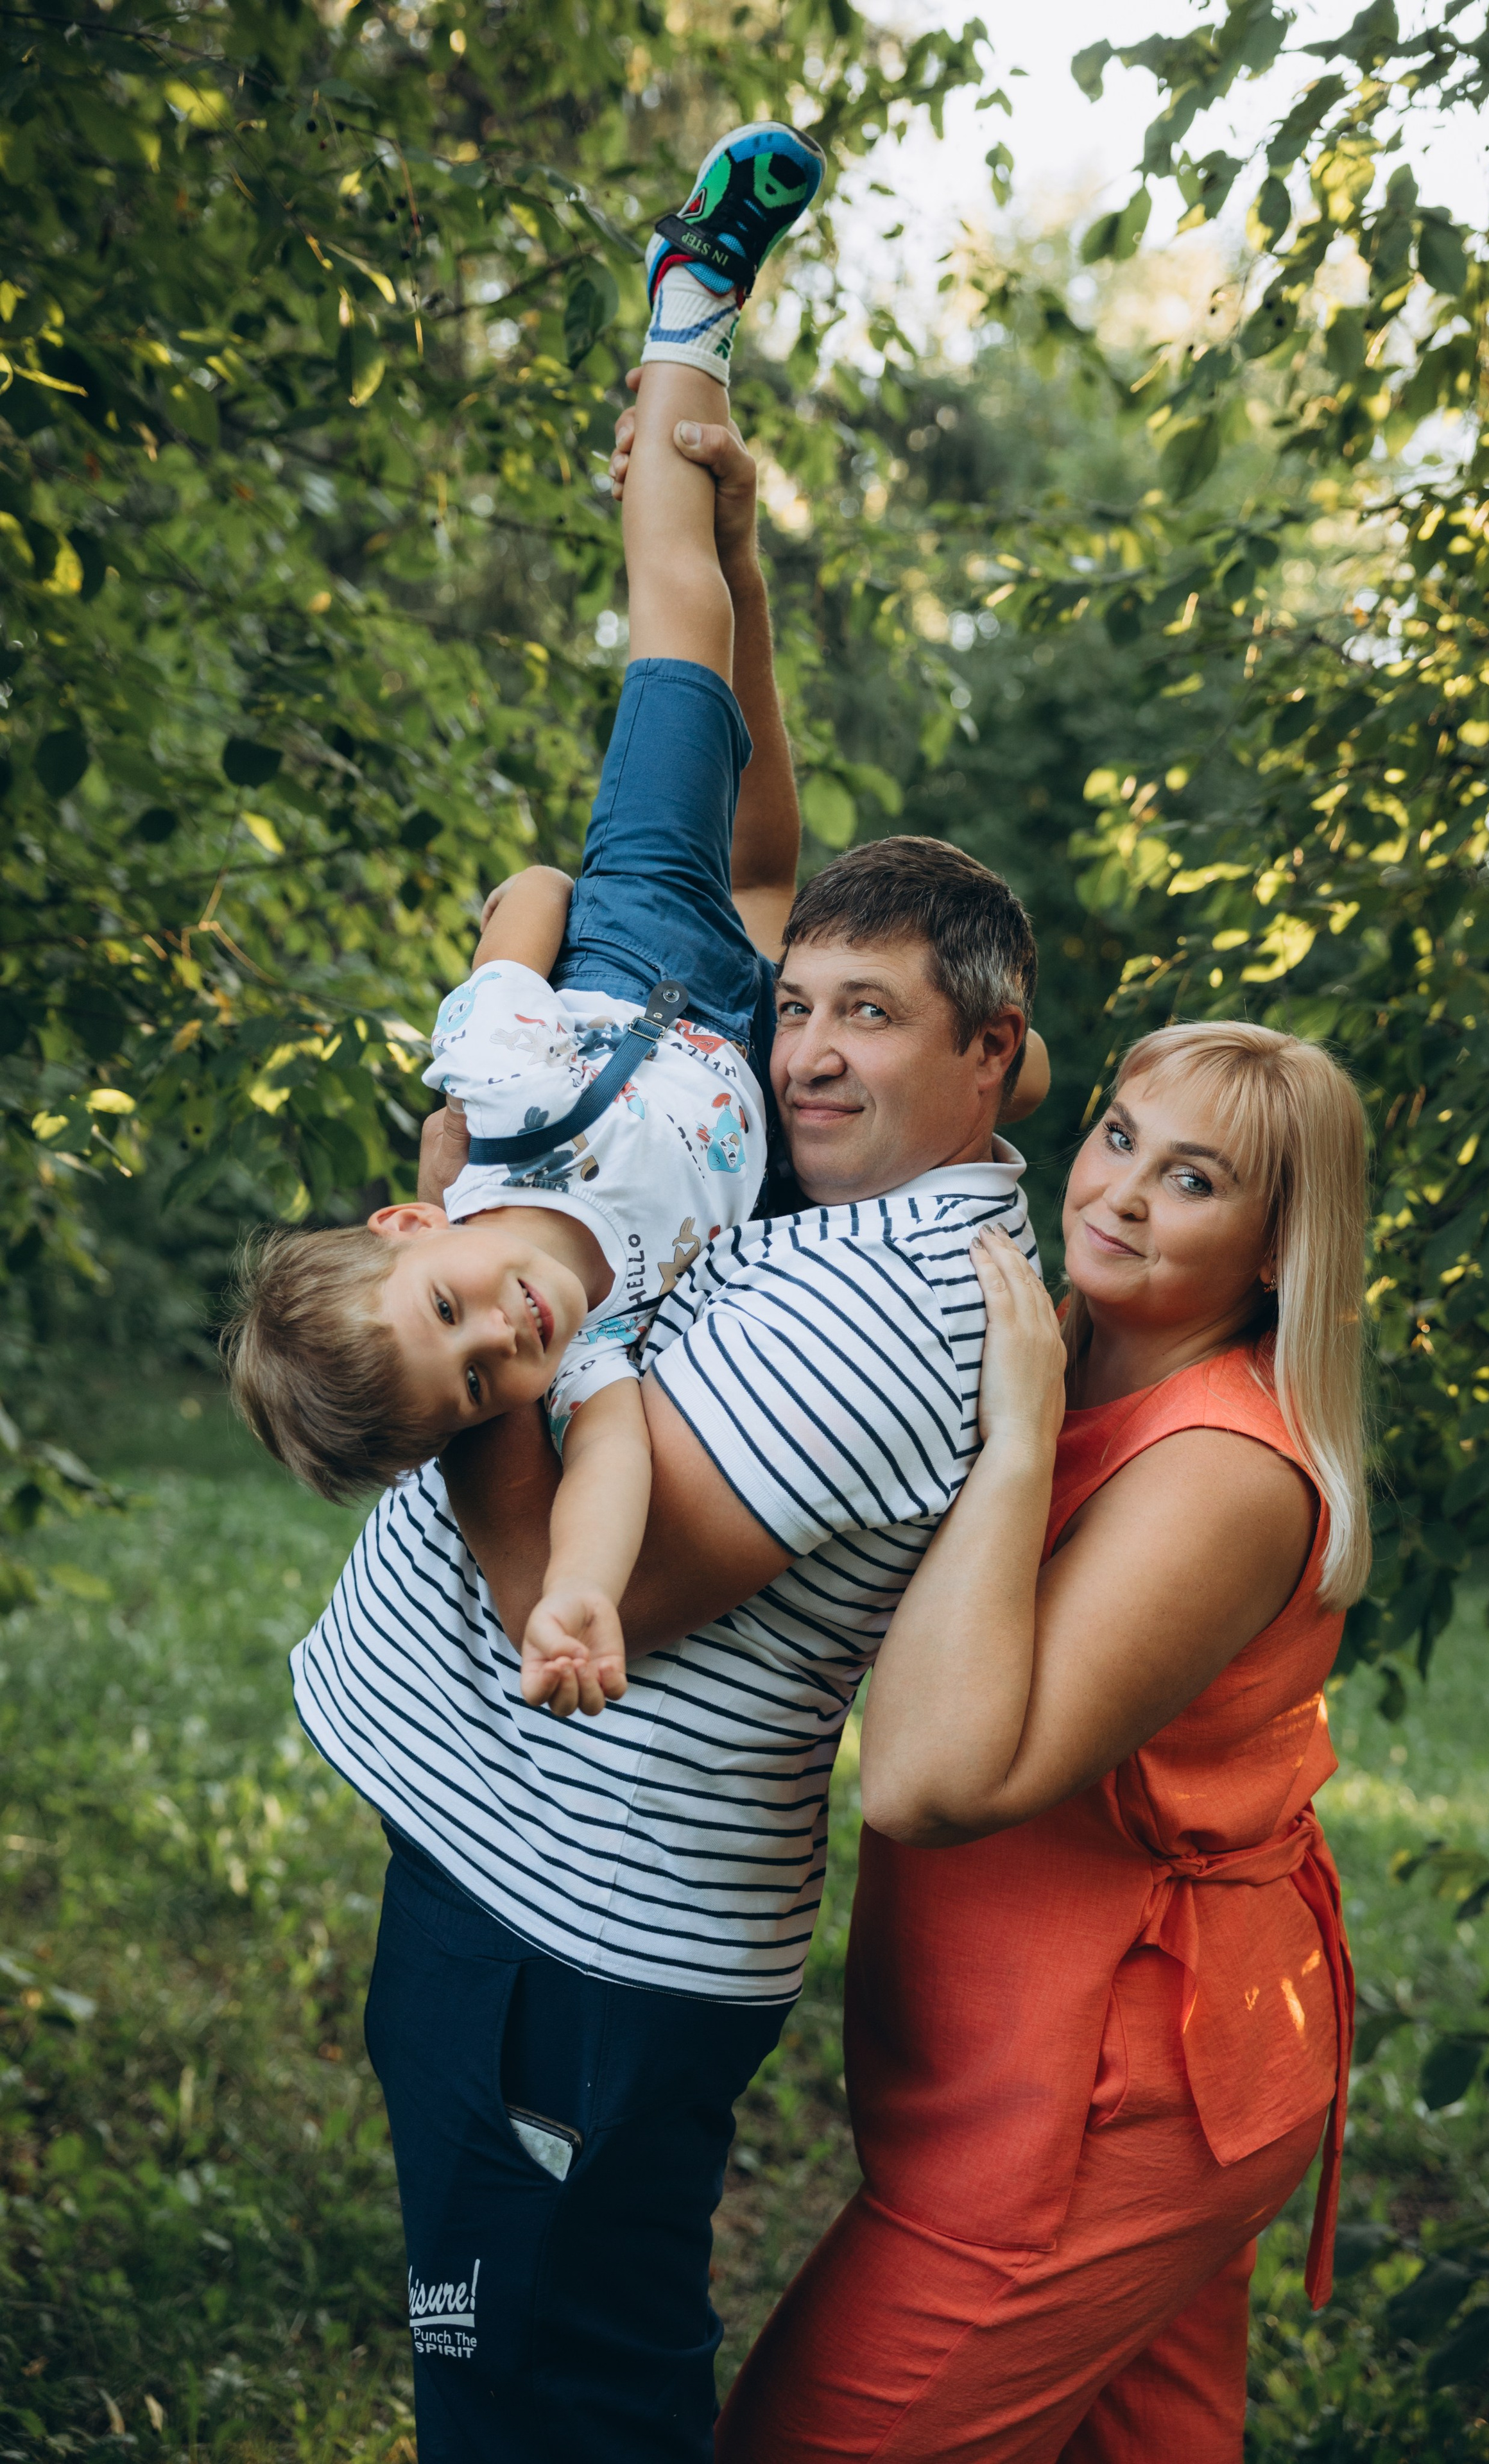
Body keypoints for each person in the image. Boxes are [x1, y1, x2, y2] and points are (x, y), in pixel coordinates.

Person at [284, 122, 1048, 2464]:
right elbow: (745, 857)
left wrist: (466, 1218)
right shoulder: (797, 1171)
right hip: (499, 1886)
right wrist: (712, 524)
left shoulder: (905, 1288)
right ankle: (684, 340)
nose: (802, 1042)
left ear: (997, 1058)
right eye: (797, 1004)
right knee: (474, 2358)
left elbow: (554, 1557)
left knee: (549, 2398)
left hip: (573, 1951)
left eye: (863, 1022)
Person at [222, 123, 831, 1721]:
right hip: (745, 1031)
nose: (505, 1338)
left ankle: (685, 309)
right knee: (778, 849)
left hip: (628, 934)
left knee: (675, 621)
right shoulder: (596, 1333)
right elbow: (608, 1463)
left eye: (453, 1313)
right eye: (483, 1381)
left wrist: (567, 918)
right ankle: (714, 513)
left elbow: (527, 903)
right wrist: (571, 1594)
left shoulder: (490, 1100)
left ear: (417, 1227)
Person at [718, 1021, 1368, 2464]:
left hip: (1112, 2105)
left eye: (1193, 1181)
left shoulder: (1219, 1471)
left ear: (1276, 1250)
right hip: (1057, 2066)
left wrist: (1014, 1445)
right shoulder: (1066, 1351)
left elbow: (931, 1781)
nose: (1121, 1193)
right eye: (1120, 1136)